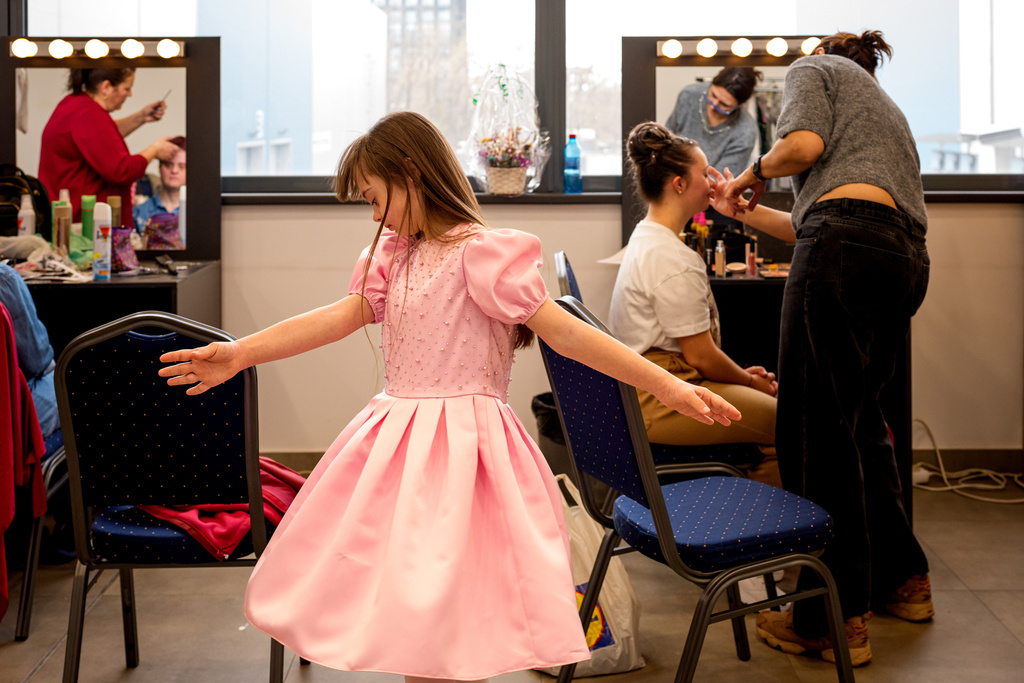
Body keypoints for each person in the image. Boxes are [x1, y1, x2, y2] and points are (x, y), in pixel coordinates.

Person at [158, 111, 741, 683]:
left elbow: (566, 332)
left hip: (467, 454)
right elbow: (338, 317)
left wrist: (668, 384)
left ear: (412, 173)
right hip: (398, 450)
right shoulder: (393, 253)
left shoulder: (483, 252)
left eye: (373, 196)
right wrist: (240, 353)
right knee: (418, 621)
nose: (375, 213)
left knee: (453, 620)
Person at [717, 30, 933, 667]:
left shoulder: (817, 69)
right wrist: (739, 206)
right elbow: (821, 217)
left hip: (843, 250)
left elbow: (801, 149)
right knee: (863, 424)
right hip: (903, 260)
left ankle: (827, 615)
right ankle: (904, 580)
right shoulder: (884, 112)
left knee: (814, 432)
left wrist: (756, 170)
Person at [610, 121, 794, 464]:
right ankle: (758, 508)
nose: (713, 183)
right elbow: (701, 357)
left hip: (656, 383)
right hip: (661, 397)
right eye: (704, 173)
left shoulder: (647, 236)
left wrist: (743, 378)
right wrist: (750, 382)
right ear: (679, 184)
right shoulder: (671, 257)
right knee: (795, 424)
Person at [38, 68, 179, 227]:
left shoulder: (74, 104)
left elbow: (100, 139)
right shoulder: (89, 114)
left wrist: (141, 117)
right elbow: (121, 170)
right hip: (83, 225)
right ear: (105, 87)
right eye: (127, 88)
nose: (130, 94)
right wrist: (155, 150)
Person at [664, 66, 763, 179]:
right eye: (712, 95)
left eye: (724, 104)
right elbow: (668, 135)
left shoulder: (745, 132)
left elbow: (720, 181)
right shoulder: (689, 95)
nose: (713, 106)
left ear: (740, 104)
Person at [133, 135, 186, 234]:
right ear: (159, 167)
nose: (174, 171)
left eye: (182, 166)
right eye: (168, 165)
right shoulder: (138, 213)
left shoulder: (198, 214)